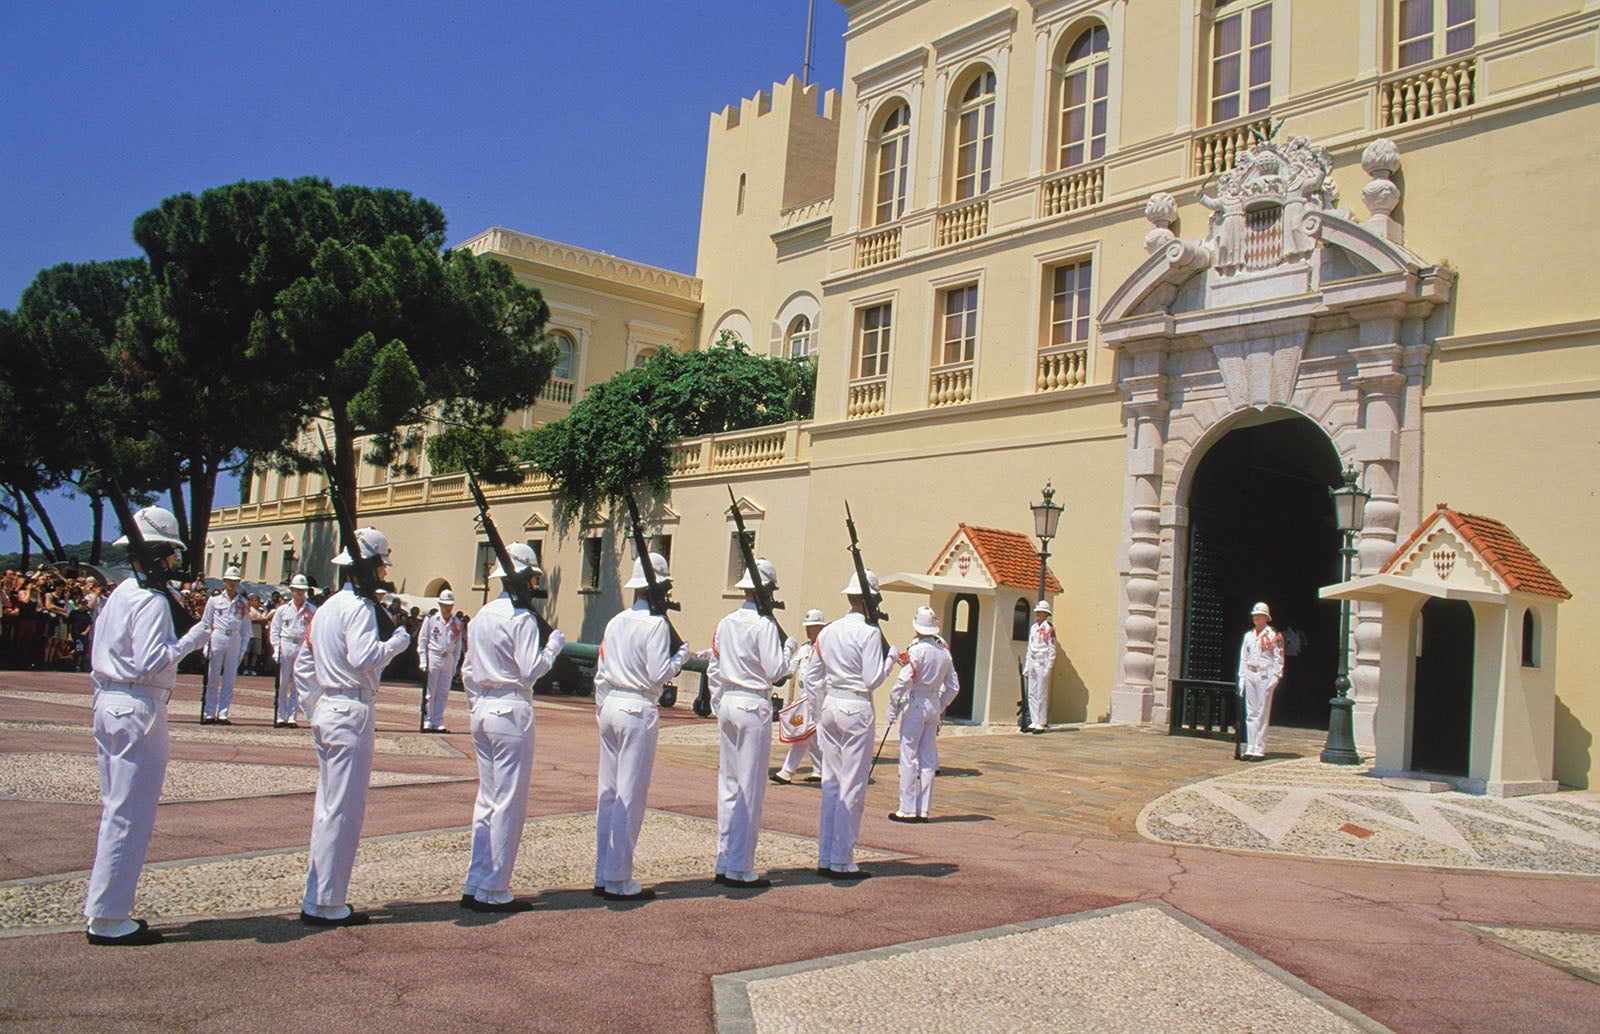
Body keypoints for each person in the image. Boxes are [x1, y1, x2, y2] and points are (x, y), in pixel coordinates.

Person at [83, 505, 211, 945]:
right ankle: (110, 916)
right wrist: (196, 636)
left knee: (115, 809)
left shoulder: (120, 593)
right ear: (157, 556)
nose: (175, 565)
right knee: (130, 813)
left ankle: (103, 907)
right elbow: (152, 661)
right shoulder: (153, 601)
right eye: (170, 556)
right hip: (139, 704)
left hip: (108, 700)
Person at [299, 527, 411, 927]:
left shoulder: (327, 607)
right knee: (344, 808)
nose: (383, 573)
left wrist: (312, 705)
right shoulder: (360, 609)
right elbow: (365, 656)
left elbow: (306, 661)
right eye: (380, 565)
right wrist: (398, 641)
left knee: (328, 807)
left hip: (329, 704)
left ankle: (318, 894)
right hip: (350, 707)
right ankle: (329, 901)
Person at [458, 543, 565, 912]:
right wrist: (553, 647)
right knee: (508, 801)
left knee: (486, 799)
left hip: (483, 708)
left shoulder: (482, 615)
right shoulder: (520, 619)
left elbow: (468, 671)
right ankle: (495, 887)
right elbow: (529, 668)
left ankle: (476, 880)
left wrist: (478, 705)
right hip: (510, 706)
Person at [592, 552, 690, 901]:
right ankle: (620, 877)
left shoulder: (616, 621)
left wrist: (602, 708)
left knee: (608, 793)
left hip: (612, 704)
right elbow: (657, 672)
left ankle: (603, 870)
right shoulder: (656, 625)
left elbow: (601, 671)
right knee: (630, 794)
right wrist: (681, 657)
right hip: (638, 707)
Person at [708, 558, 792, 889]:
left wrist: (717, 702)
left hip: (729, 699)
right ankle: (742, 867)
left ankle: (724, 857)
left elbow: (715, 664)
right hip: (753, 701)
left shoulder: (726, 621)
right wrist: (791, 653)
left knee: (728, 783)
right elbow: (776, 671)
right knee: (750, 786)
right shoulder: (764, 625)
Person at [814, 569, 897, 880]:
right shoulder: (870, 633)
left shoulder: (829, 630)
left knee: (831, 783)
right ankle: (843, 858)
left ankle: (825, 854)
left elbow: (814, 669)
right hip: (856, 705)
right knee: (853, 785)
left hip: (831, 703)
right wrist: (891, 659)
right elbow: (872, 678)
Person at [886, 606, 960, 822]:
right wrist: (941, 704)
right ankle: (923, 809)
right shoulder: (943, 652)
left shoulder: (916, 651)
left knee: (908, 756)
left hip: (916, 702)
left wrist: (892, 706)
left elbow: (901, 682)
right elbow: (953, 686)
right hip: (933, 704)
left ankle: (907, 808)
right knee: (928, 758)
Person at [773, 609, 827, 785]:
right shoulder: (804, 648)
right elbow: (790, 667)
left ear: (820, 627)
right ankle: (820, 770)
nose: (808, 630)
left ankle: (787, 771)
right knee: (810, 735)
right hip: (803, 697)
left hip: (817, 697)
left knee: (803, 735)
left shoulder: (825, 648)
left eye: (811, 627)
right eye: (807, 627)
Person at [200, 567, 251, 724]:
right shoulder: (214, 601)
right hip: (218, 635)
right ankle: (209, 712)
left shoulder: (243, 603)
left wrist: (242, 649)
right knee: (212, 676)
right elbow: (206, 623)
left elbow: (246, 629)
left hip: (234, 637)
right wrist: (205, 645)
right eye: (229, 581)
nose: (232, 584)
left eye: (235, 581)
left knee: (229, 678)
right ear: (224, 582)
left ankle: (223, 713)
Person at [1236, 601, 1284, 761]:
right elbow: (1244, 658)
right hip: (1250, 673)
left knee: (1262, 713)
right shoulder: (1248, 636)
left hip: (1265, 675)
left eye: (1260, 616)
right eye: (1255, 616)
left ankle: (1259, 749)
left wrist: (1276, 676)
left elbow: (1279, 657)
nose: (1256, 618)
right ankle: (1250, 747)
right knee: (1251, 713)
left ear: (1266, 618)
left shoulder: (1273, 635)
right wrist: (1241, 678)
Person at [269, 574, 316, 727]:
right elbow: (275, 630)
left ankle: (292, 717)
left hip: (301, 645)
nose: (299, 594)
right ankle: (280, 716)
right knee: (282, 682)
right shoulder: (283, 610)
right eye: (296, 590)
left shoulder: (312, 610)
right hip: (286, 644)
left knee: (298, 683)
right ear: (291, 591)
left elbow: (314, 631)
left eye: (302, 591)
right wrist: (276, 648)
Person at [418, 590, 465, 733]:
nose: (447, 608)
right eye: (445, 605)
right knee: (430, 691)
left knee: (443, 692)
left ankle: (438, 720)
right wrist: (423, 660)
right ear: (440, 604)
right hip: (434, 656)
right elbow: (423, 640)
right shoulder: (432, 619)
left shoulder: (456, 622)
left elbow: (458, 646)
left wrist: (455, 665)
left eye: (450, 605)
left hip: (448, 657)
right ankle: (427, 720)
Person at [1022, 600, 1057, 733]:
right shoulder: (1033, 628)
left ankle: (1041, 722)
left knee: (1041, 693)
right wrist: (1027, 665)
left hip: (1043, 662)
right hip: (1033, 661)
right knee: (1031, 692)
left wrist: (1049, 667)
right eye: (1037, 612)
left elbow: (1052, 649)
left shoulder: (1049, 629)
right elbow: (1030, 648)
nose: (1037, 615)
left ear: (1045, 614)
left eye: (1040, 613)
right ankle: (1034, 720)